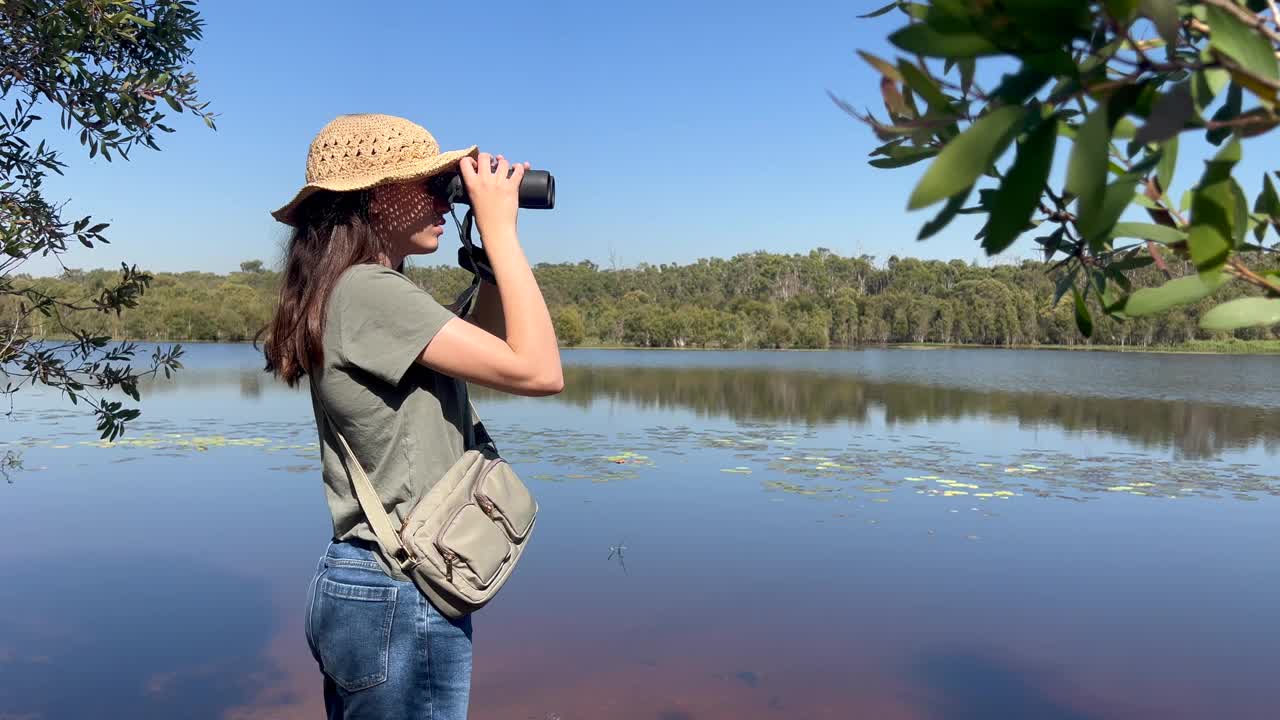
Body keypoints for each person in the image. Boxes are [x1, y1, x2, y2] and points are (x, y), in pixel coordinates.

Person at [261, 113, 563, 719]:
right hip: (397, 593)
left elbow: (493, 351)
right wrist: (504, 233)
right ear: (376, 200)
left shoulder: (357, 289)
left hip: (377, 587)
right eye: (427, 185)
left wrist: (484, 256)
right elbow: (539, 371)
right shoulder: (368, 291)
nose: (443, 201)